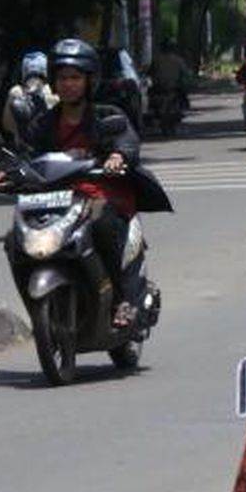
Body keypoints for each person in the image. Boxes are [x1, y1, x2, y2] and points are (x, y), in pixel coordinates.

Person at [20, 38, 172, 328]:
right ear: (53, 81)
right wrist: (9, 173)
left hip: (105, 193)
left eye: (75, 78)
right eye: (62, 78)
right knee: (16, 237)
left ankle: (122, 299)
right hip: (59, 197)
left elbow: (126, 141)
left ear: (89, 80)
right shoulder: (43, 123)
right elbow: (29, 155)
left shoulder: (107, 115)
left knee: (101, 224)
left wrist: (118, 155)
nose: (68, 84)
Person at [1, 51, 57, 147]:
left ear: (24, 71)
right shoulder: (55, 93)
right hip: (50, 154)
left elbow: (7, 125)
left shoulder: (15, 92)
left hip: (24, 153)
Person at [149, 37, 192, 112]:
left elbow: (150, 73)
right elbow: (186, 74)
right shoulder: (179, 60)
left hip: (163, 89)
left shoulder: (157, 60)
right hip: (170, 89)